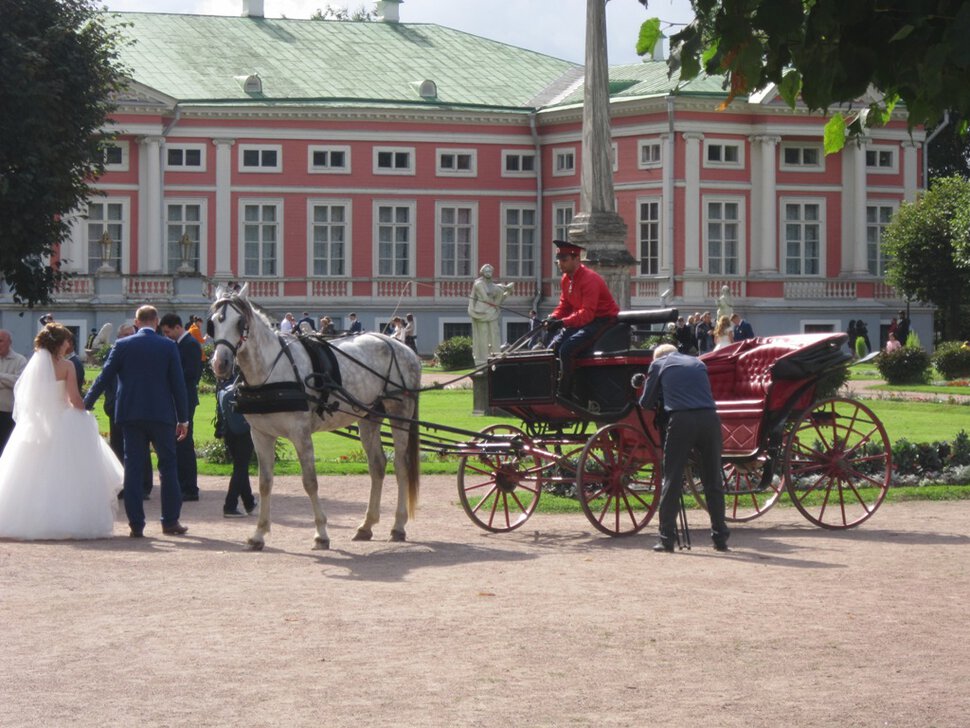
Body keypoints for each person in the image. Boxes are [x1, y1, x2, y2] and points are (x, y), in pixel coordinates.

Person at [0, 324, 122, 539]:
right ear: (59, 343)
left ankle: (25, 519)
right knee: (69, 472)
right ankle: (69, 518)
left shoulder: (34, 365)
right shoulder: (66, 366)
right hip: (63, 420)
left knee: (32, 473)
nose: (69, 344)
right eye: (67, 341)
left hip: (38, 424)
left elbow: (30, 398)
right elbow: (74, 398)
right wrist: (84, 410)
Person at [84, 305, 190, 538]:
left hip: (130, 414)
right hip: (161, 415)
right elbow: (178, 385)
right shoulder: (169, 346)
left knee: (133, 468)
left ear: (136, 322)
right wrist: (183, 418)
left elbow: (104, 377)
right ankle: (170, 521)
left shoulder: (122, 345)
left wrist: (86, 403)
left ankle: (137, 524)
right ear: (157, 321)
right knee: (168, 467)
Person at [638, 343, 729, 552]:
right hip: (710, 418)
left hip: (681, 419)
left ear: (657, 357)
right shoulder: (698, 363)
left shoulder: (659, 363)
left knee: (672, 478)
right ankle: (720, 538)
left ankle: (666, 538)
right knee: (713, 480)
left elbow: (645, 402)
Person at [543, 240, 620, 397]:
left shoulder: (589, 279)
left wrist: (563, 322)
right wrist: (553, 317)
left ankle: (565, 393)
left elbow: (587, 313)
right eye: (558, 260)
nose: (560, 264)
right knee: (552, 348)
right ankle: (550, 389)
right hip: (584, 321)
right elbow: (564, 306)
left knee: (567, 350)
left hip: (603, 320)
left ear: (576, 259)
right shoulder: (566, 279)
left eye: (564, 260)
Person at [104, 323, 154, 500]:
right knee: (118, 447)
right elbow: (107, 380)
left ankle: (144, 486)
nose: (127, 338)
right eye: (124, 335)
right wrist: (110, 404)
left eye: (129, 334)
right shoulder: (114, 352)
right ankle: (123, 485)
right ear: (118, 337)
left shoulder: (141, 354)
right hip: (117, 408)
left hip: (140, 407)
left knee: (141, 448)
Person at [160, 313, 203, 502]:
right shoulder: (180, 344)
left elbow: (191, 374)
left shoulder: (191, 344)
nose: (167, 335)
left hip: (185, 399)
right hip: (180, 398)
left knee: (184, 443)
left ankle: (190, 487)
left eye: (168, 331)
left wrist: (169, 379)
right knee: (180, 442)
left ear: (177, 327)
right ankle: (183, 484)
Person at [215, 375, 257, 518]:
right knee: (241, 467)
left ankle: (249, 502)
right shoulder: (248, 389)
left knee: (240, 467)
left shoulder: (223, 388)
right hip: (244, 432)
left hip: (229, 431)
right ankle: (230, 505)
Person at [468, 263, 514, 365]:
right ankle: (483, 359)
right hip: (481, 312)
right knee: (483, 335)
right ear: (482, 272)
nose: (488, 273)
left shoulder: (494, 286)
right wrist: (502, 288)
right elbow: (485, 298)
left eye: (490, 271)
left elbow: (499, 300)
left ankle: (495, 356)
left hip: (492, 311)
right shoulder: (478, 284)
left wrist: (508, 291)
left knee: (495, 334)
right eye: (486, 271)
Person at [0, 330, 27, 454]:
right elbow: (12, 381)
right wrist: (7, 379)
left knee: (6, 449)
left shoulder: (19, 360)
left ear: (9, 342)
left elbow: (19, 382)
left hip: (8, 413)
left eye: (1, 341)